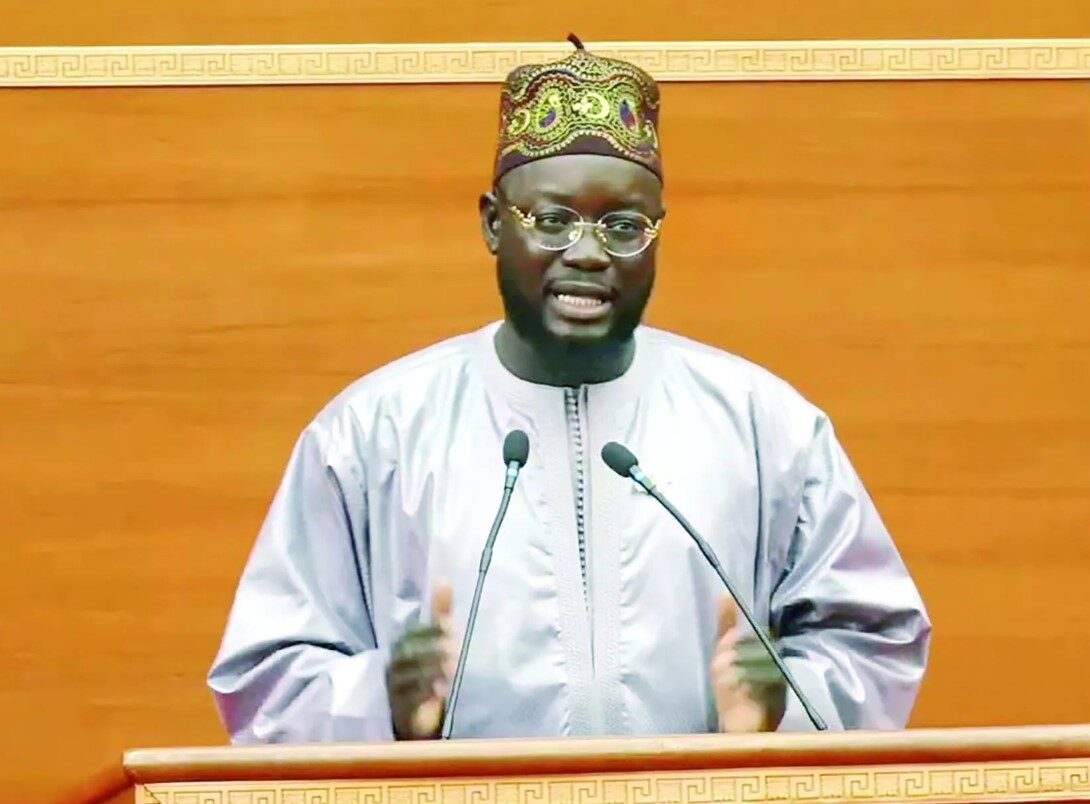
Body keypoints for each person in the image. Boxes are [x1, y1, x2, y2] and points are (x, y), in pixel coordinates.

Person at [207, 36, 931, 743]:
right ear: (494, 225)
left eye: (624, 225)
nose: (587, 254)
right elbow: (269, 679)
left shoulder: (762, 425)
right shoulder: (374, 433)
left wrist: (787, 709)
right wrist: (377, 706)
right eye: (552, 220)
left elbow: (874, 642)